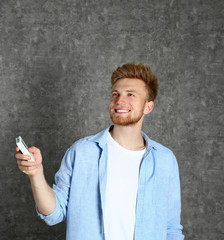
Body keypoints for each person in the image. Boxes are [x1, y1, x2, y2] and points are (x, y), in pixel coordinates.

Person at [15, 63, 184, 240]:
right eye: (115, 94)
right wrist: (36, 174)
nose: (120, 101)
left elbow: (171, 229)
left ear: (148, 107)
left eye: (130, 95)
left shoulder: (165, 160)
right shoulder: (81, 152)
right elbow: (54, 213)